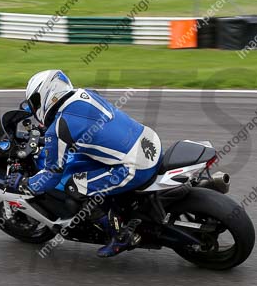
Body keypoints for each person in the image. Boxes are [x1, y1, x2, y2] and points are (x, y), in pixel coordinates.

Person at [18, 70, 162, 257]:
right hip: (149, 141)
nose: (36, 107)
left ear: (48, 95)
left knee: (74, 186)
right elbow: (84, 123)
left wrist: (24, 184)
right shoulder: (85, 94)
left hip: (135, 167)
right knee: (83, 163)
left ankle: (120, 236)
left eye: (36, 101)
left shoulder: (59, 129)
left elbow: (52, 175)